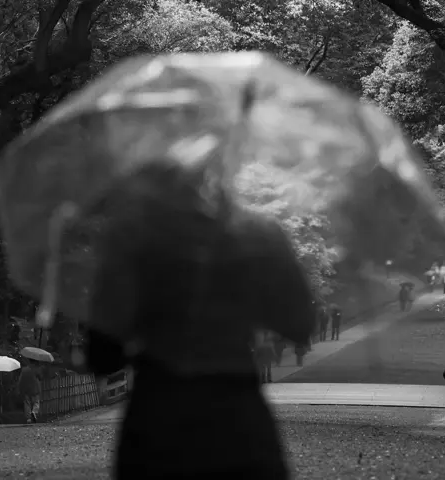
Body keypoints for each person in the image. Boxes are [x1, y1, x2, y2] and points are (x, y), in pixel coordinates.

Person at [80, 164, 316, 480]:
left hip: (156, 422)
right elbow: (300, 323)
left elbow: (103, 356)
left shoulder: (130, 238)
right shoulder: (257, 234)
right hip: (239, 419)